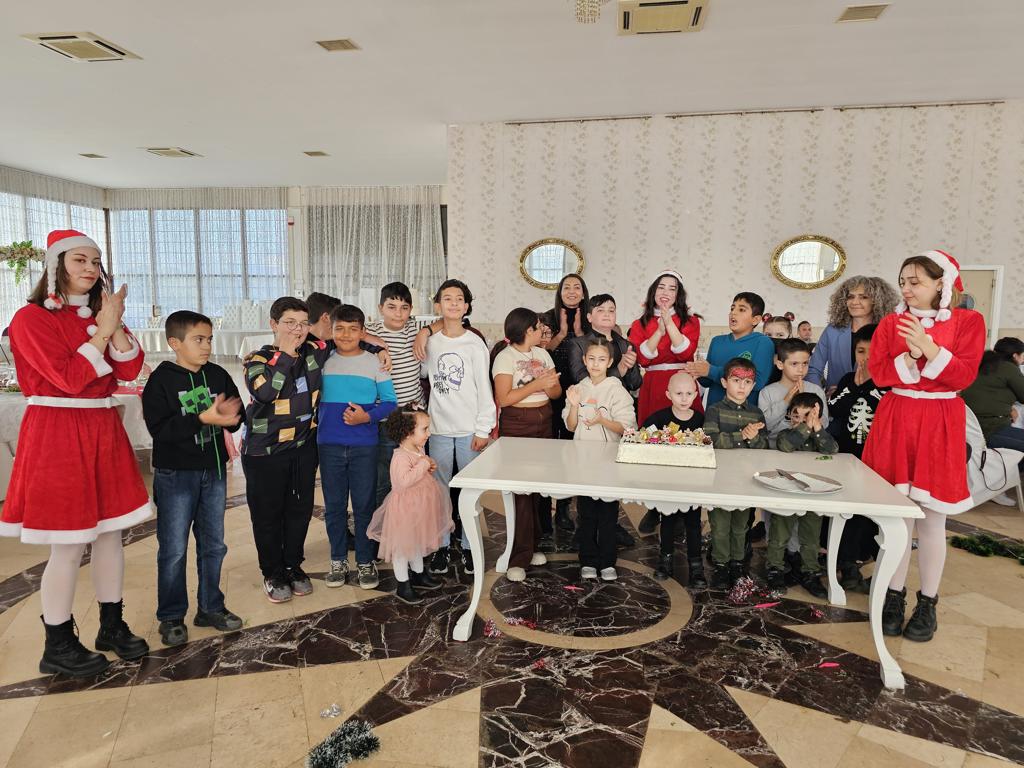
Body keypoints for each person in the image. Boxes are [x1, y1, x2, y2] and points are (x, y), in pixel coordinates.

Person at [0, 229, 150, 676]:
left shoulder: (100, 313)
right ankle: (58, 642)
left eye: (95, 261)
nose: (89, 268)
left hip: (102, 429)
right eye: (79, 260)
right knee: (67, 545)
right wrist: (103, 329)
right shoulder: (30, 319)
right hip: (58, 433)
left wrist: (113, 323)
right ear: (56, 265)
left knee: (110, 535)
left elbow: (129, 368)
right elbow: (68, 378)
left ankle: (111, 625)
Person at [863, 250, 985, 643]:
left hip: (939, 421)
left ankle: (928, 602)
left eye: (915, 281)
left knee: (932, 520)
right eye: (903, 281)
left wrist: (928, 349)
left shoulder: (968, 322)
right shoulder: (890, 323)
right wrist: (910, 356)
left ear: (940, 283)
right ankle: (893, 596)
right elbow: (880, 374)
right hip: (898, 418)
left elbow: (963, 376)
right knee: (899, 517)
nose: (907, 289)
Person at [143, 310, 244, 647]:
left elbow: (237, 414)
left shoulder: (217, 374)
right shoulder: (161, 380)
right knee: (173, 549)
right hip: (176, 475)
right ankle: (171, 616)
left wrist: (229, 417)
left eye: (209, 339)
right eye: (198, 340)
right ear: (175, 343)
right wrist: (203, 418)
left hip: (213, 471)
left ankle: (211, 607)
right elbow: (160, 430)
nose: (206, 346)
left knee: (214, 545)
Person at [242, 297, 330, 604]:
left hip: (303, 447)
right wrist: (286, 354)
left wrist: (378, 347)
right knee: (267, 515)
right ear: (273, 324)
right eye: (290, 323)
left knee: (299, 511)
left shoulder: (315, 351)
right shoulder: (257, 360)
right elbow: (266, 393)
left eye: (303, 323)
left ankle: (293, 565)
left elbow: (348, 337)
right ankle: (273, 572)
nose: (298, 329)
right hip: (264, 451)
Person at [319, 304, 398, 591]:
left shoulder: (375, 363)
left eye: (353, 329)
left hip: (364, 445)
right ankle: (338, 560)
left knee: (364, 505)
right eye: (339, 328)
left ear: (363, 332)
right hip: (329, 445)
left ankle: (365, 560)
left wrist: (367, 417)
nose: (346, 335)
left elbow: (390, 402)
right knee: (334, 506)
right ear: (331, 330)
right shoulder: (323, 361)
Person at [421, 279, 497, 576]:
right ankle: (442, 545)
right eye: (447, 298)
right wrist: (424, 333)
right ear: (438, 305)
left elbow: (484, 387)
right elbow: (424, 373)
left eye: (459, 299)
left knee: (469, 489)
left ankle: (468, 545)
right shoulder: (431, 342)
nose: (453, 303)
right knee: (439, 490)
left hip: (469, 430)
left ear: (466, 306)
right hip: (439, 428)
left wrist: (483, 429)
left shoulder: (474, 343)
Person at [491, 308, 562, 581]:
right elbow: (505, 398)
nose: (542, 330)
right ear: (526, 330)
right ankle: (518, 558)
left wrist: (549, 384)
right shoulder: (505, 357)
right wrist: (537, 383)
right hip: (517, 424)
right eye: (537, 326)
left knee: (537, 490)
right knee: (521, 491)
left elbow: (555, 392)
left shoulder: (542, 354)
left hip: (544, 420)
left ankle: (532, 546)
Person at [564, 337, 638, 581]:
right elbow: (570, 425)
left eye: (602, 359)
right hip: (583, 461)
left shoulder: (616, 389)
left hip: (608, 462)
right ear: (584, 360)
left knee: (607, 514)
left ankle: (607, 562)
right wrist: (574, 406)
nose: (596, 364)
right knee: (586, 514)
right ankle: (587, 560)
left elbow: (628, 428)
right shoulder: (578, 388)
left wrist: (602, 420)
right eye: (592, 359)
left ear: (610, 362)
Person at [367, 407, 448, 604]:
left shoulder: (418, 449)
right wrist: (423, 464)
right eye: (424, 429)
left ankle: (419, 574)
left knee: (416, 542)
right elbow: (403, 482)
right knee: (403, 548)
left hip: (419, 508)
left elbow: (420, 469)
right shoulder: (400, 457)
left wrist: (428, 464)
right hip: (405, 510)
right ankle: (403, 584)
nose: (429, 433)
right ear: (408, 433)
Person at [826, 323, 886, 591]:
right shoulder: (849, 380)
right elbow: (835, 408)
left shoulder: (889, 385)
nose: (866, 358)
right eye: (861, 351)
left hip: (875, 459)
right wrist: (855, 387)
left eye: (874, 352)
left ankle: (863, 555)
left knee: (868, 513)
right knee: (846, 509)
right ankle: (845, 560)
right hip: (847, 456)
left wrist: (868, 388)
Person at [703, 357, 768, 588]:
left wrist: (754, 437)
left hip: (746, 478)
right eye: (736, 380)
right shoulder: (714, 411)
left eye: (747, 382)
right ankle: (721, 565)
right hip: (720, 477)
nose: (742, 386)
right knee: (720, 525)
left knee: (741, 525)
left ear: (753, 385)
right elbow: (711, 440)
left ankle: (738, 564)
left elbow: (764, 447)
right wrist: (743, 435)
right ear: (724, 382)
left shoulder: (757, 414)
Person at [766, 393, 838, 597]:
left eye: (807, 416)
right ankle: (775, 569)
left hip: (814, 495)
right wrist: (806, 427)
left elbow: (832, 449)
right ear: (789, 416)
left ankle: (810, 572)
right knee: (779, 534)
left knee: (811, 537)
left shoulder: (820, 437)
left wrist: (817, 429)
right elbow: (786, 446)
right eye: (796, 416)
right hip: (787, 493)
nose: (800, 421)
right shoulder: (785, 435)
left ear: (818, 418)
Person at [641, 372, 707, 587]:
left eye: (689, 393)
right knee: (667, 520)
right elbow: (642, 437)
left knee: (693, 523)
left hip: (694, 482)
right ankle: (665, 559)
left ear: (695, 394)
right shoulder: (659, 419)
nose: (684, 398)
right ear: (668, 394)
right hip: (667, 481)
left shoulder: (701, 420)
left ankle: (696, 565)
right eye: (679, 393)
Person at [364, 283, 427, 510]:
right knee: (385, 476)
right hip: (385, 418)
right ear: (380, 308)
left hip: (414, 417)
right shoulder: (371, 331)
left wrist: (425, 333)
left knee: (416, 474)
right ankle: (384, 524)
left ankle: (411, 521)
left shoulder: (415, 328)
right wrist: (378, 345)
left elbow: (442, 323)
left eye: (404, 308)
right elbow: (348, 330)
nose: (398, 313)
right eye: (391, 307)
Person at [544, 273, 592, 534]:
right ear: (559, 291)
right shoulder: (547, 318)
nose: (572, 291)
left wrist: (579, 333)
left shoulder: (591, 318)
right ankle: (559, 510)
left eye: (577, 287)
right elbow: (541, 352)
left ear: (583, 293)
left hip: (583, 392)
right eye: (566, 287)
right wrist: (562, 332)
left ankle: (584, 508)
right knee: (557, 451)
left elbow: (596, 353)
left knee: (580, 450)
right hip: (553, 391)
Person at [628, 270, 702, 424]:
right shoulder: (639, 324)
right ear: (653, 291)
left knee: (687, 431)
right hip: (653, 384)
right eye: (661, 287)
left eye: (672, 289)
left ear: (678, 294)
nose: (665, 292)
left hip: (682, 383)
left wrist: (669, 323)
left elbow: (686, 353)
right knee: (652, 431)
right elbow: (642, 359)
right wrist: (659, 332)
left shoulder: (691, 321)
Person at [807, 276, 900, 392]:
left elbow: (895, 371)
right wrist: (819, 395)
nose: (854, 302)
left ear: (877, 301)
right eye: (850, 297)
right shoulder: (832, 330)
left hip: (875, 400)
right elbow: (813, 369)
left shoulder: (888, 332)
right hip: (835, 400)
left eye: (863, 297)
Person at [685, 292, 774, 409]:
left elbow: (758, 381)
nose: (733, 313)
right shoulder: (717, 341)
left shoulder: (763, 342)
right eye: (732, 308)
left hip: (743, 415)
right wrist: (697, 370)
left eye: (741, 310)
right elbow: (707, 382)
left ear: (755, 319)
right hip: (713, 413)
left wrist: (710, 370)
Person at [961, 337, 1024, 459]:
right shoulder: (1008, 367)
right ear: (1015, 356)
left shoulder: (982, 364)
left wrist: (1011, 407)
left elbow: (989, 392)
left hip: (972, 427)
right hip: (991, 428)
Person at [758, 338, 830, 446]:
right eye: (794, 364)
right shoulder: (767, 392)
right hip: (776, 449)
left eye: (805, 363)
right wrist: (786, 401)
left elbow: (824, 423)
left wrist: (803, 401)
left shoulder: (816, 390)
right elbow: (765, 425)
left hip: (809, 449)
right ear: (780, 364)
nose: (801, 369)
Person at [567, 294, 641, 393]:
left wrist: (629, 368)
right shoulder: (577, 344)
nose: (607, 314)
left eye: (611, 311)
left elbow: (635, 384)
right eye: (600, 310)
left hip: (620, 399)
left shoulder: (626, 345)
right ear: (589, 317)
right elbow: (580, 378)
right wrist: (618, 371)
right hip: (591, 400)